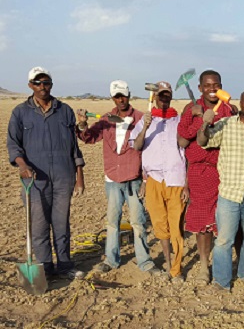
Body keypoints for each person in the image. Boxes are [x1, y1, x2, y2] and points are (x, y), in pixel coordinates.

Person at [7, 66, 85, 280]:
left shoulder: (65, 110)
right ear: (30, 85)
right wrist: (22, 165)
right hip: (34, 180)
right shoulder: (20, 112)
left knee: (61, 223)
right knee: (39, 226)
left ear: (51, 84)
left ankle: (65, 265)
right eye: (38, 83)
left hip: (63, 176)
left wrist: (79, 177)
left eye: (47, 82)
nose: (43, 87)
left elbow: (74, 147)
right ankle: (45, 268)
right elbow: (13, 145)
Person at [76, 80, 160, 275]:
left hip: (134, 179)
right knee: (113, 222)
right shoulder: (106, 119)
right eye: (116, 96)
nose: (121, 99)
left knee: (138, 222)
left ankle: (145, 262)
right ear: (112, 97)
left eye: (123, 95)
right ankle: (111, 260)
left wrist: (145, 179)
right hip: (112, 179)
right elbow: (88, 138)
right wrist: (81, 124)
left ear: (129, 95)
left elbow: (149, 150)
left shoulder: (141, 118)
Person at [197, 89, 244, 291]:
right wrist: (204, 124)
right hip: (229, 194)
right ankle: (221, 281)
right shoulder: (226, 124)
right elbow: (203, 141)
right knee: (224, 241)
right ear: (241, 103)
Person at [177, 70, 234, 284]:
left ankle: (222, 264)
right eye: (207, 85)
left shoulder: (229, 109)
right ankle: (203, 266)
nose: (212, 89)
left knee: (225, 221)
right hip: (199, 173)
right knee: (203, 225)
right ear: (199, 88)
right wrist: (198, 118)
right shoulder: (191, 109)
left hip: (224, 171)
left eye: (216, 85)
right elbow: (182, 142)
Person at [130, 81, 188, 282]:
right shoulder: (145, 121)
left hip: (176, 180)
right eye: (160, 95)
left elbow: (186, 153)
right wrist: (145, 127)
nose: (163, 99)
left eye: (166, 95)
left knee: (176, 227)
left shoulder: (180, 121)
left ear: (170, 97)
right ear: (154, 97)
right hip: (154, 180)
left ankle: (176, 269)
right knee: (160, 226)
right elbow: (136, 146)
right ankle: (167, 259)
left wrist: (187, 185)